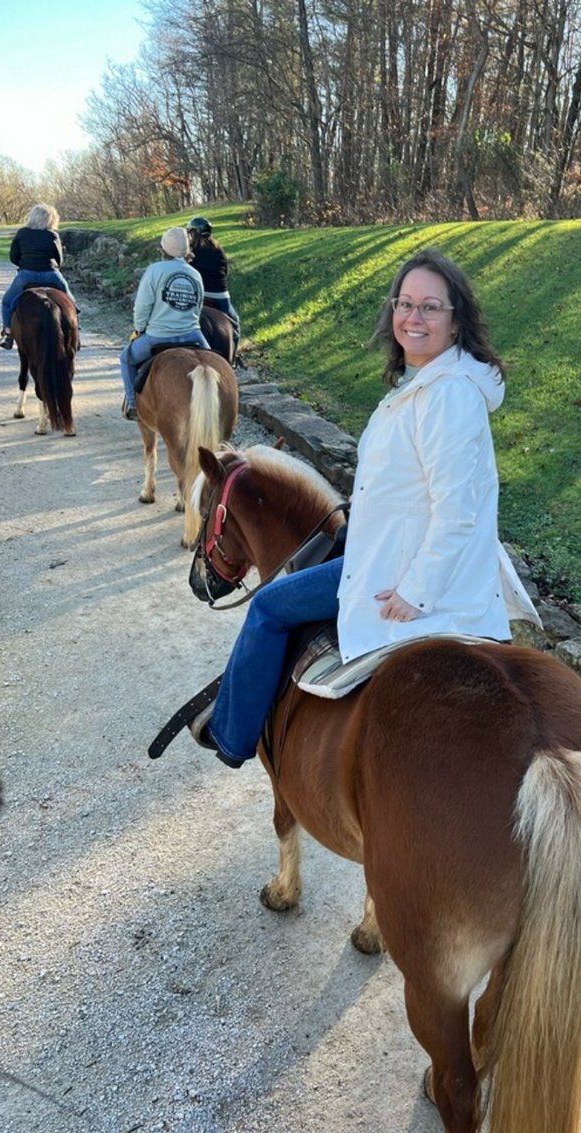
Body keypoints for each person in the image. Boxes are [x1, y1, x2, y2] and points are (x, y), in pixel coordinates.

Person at [189, 247, 540, 767]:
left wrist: (414, 593)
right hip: (394, 548)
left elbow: (459, 510)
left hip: (404, 572)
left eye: (430, 307)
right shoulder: (428, 383)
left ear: (456, 320)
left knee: (268, 606)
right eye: (405, 303)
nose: (413, 317)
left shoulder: (447, 396)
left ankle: (232, 735)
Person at [118, 226, 210, 420]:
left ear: (164, 250)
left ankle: (133, 405)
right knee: (215, 365)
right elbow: (198, 307)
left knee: (126, 359)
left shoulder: (154, 270)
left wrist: (139, 328)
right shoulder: (195, 274)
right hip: (193, 334)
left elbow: (142, 306)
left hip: (157, 337)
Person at [0, 204, 77, 349]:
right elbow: (59, 259)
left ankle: (8, 334)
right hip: (50, 274)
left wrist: (23, 265)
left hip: (26, 275)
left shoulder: (22, 233)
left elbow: (13, 257)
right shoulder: (53, 235)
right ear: (51, 220)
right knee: (71, 301)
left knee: (7, 302)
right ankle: (74, 332)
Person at [186, 217, 241, 336]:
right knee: (235, 325)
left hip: (198, 295)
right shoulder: (218, 250)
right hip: (219, 294)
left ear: (193, 233)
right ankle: (235, 352)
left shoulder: (190, 252)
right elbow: (225, 271)